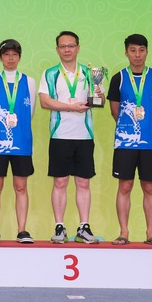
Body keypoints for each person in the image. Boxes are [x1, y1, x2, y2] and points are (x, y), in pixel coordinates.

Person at [38, 31, 104, 244]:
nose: (67, 49)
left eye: (71, 46)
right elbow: (44, 101)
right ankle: (60, 227)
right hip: (60, 135)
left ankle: (84, 227)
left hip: (84, 135)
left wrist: (99, 95)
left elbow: (99, 101)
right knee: (60, 181)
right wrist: (70, 107)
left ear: (78, 48)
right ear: (57, 49)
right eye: (63, 46)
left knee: (83, 182)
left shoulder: (90, 73)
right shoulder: (50, 74)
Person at [107, 34, 152, 246]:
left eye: (141, 50)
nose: (137, 55)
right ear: (126, 52)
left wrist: (145, 128)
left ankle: (151, 232)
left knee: (149, 187)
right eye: (133, 50)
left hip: (150, 142)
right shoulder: (118, 78)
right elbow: (115, 111)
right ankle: (123, 232)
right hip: (124, 144)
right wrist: (129, 130)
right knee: (125, 186)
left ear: (147, 52)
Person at [0, 39, 37, 244]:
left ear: (19, 57)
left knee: (21, 187)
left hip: (21, 142)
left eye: (14, 54)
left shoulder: (30, 82)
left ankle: (22, 230)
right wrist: (1, 133)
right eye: (6, 54)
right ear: (0, 57)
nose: (10, 58)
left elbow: (30, 112)